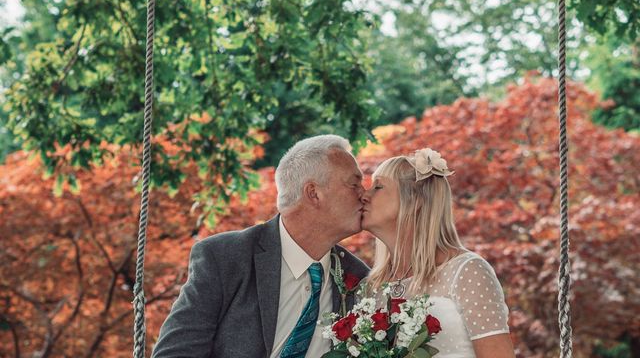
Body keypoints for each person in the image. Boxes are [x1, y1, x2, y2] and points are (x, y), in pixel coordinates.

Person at [152, 134, 370, 357]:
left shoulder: (360, 279)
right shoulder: (225, 258)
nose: (365, 195)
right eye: (354, 184)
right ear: (313, 193)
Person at [360, 148, 515, 358]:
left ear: (416, 202)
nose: (364, 196)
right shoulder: (371, 286)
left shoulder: (467, 271)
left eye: (378, 187)